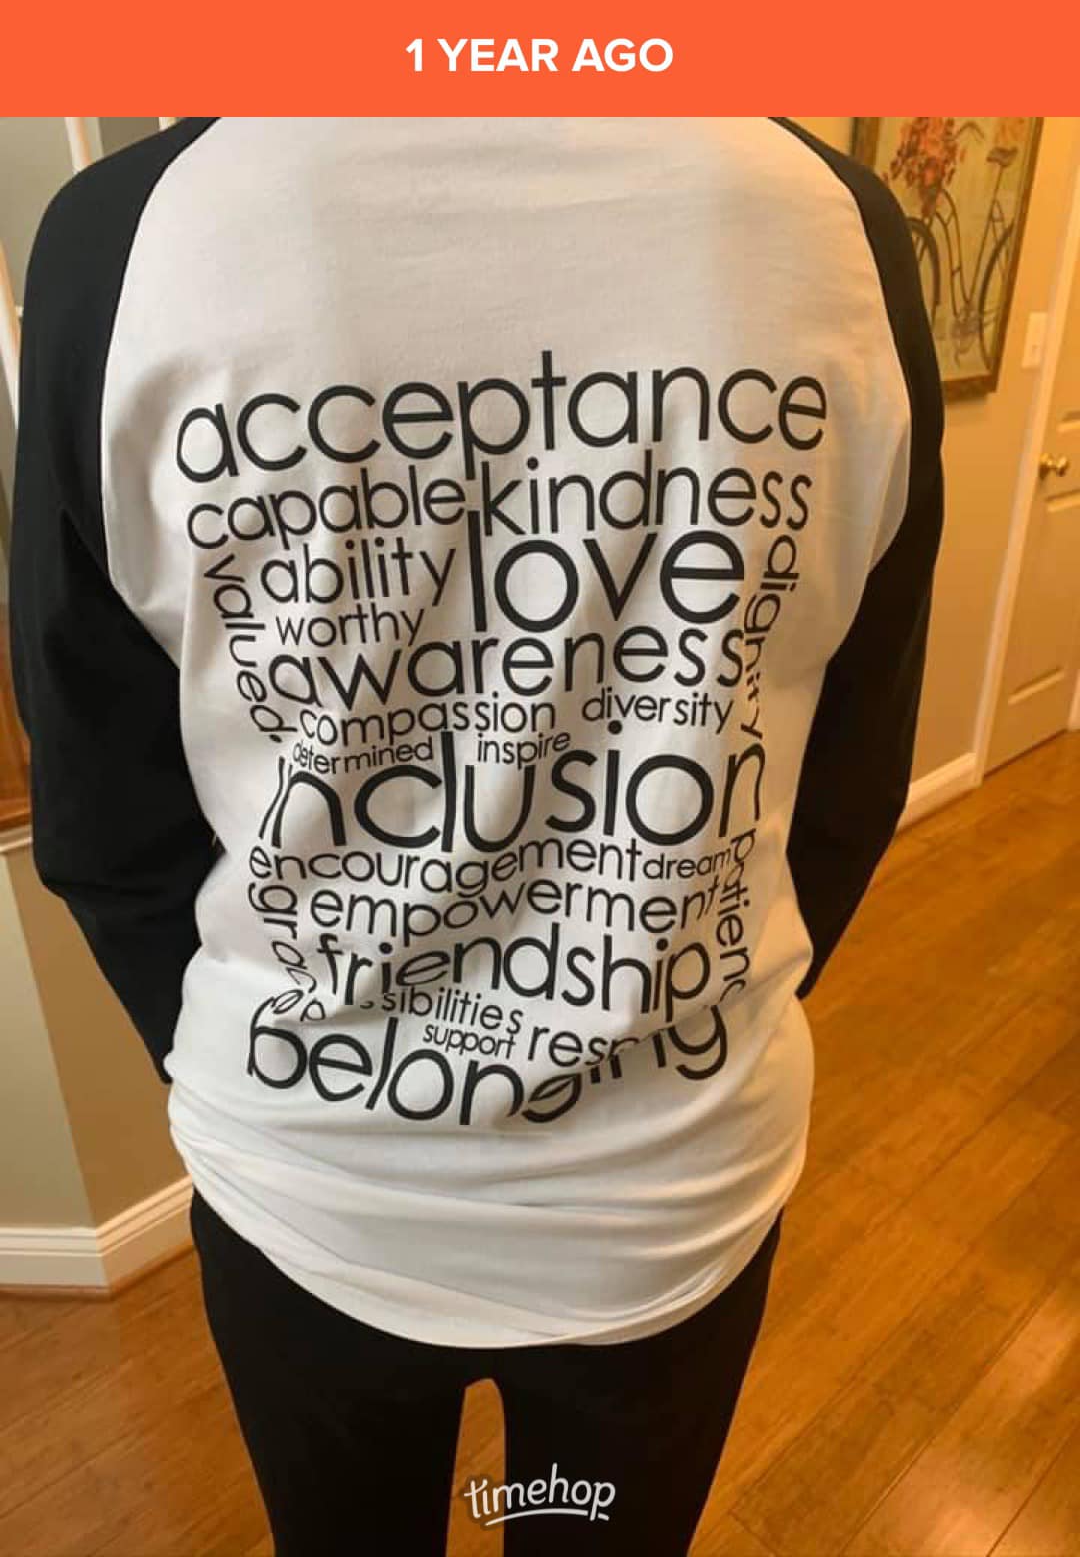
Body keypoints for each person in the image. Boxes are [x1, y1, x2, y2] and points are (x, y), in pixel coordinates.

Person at [8, 116, 944, 1556]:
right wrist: (665, 1006)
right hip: (668, 1171)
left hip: (313, 1170)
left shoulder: (126, 236)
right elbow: (852, 777)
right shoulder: (838, 229)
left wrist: (257, 1054)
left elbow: (98, 805)